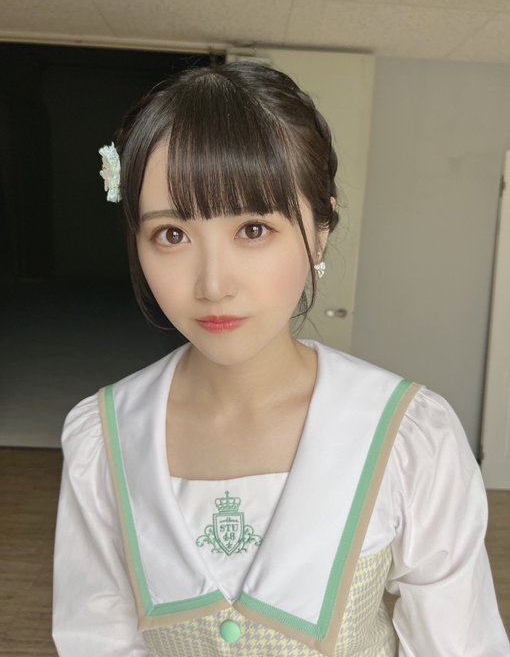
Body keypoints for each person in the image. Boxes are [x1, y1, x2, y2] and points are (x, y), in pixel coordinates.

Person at [52, 61, 509, 657]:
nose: (213, 285)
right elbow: (96, 640)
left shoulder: (408, 437)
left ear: (319, 231)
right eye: (172, 234)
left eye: (252, 229)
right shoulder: (104, 438)